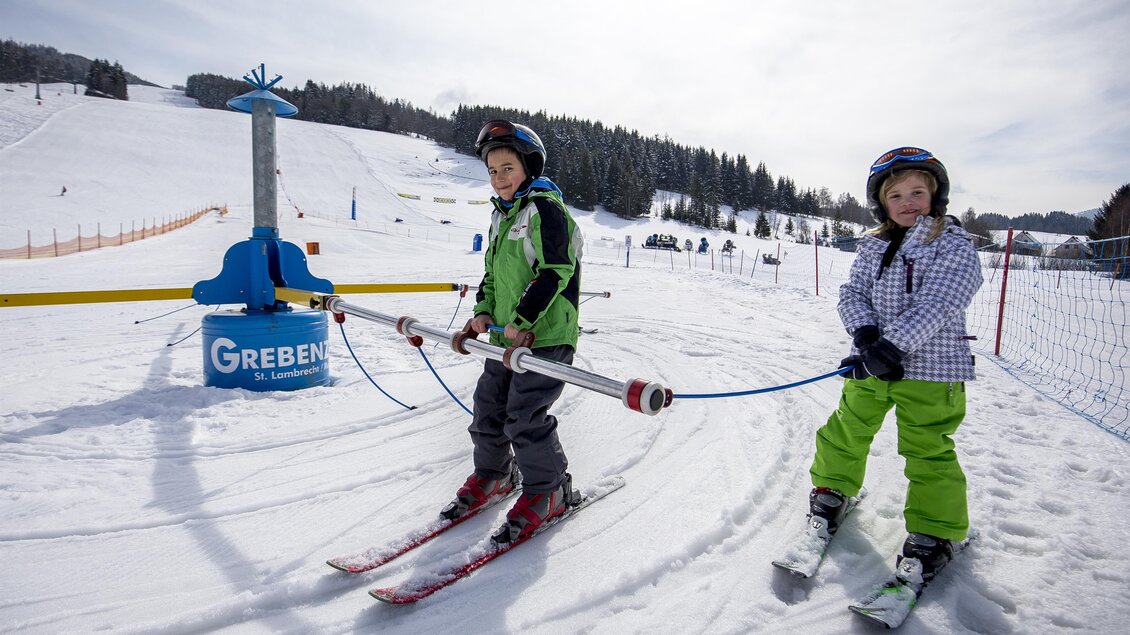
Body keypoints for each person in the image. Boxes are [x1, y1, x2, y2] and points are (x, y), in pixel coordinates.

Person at [804, 146, 983, 583]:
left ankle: (935, 533)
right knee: (846, 429)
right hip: (872, 365)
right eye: (896, 194)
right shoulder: (873, 245)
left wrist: (892, 347)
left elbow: (940, 302)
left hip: (932, 370)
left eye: (917, 192)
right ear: (882, 203)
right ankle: (832, 491)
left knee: (928, 450)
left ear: (935, 196)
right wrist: (866, 336)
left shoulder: (953, 244)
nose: (908, 202)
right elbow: (853, 293)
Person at [440, 119, 584, 544]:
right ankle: (494, 475)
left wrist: (523, 322)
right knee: (488, 409)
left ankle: (550, 489)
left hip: (545, 338)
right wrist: (481, 314)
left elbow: (556, 270)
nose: (499, 178)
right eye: (492, 170)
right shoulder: (501, 217)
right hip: (506, 339)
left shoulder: (545, 209)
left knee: (525, 416)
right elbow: (492, 275)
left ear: (529, 169)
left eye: (508, 168)